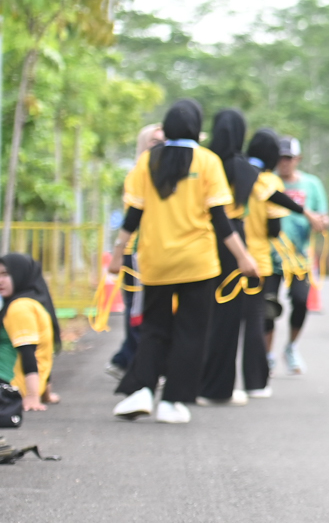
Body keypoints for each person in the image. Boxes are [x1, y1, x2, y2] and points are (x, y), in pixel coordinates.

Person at [110, 99, 259, 425]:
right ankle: (172, 401)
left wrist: (118, 254)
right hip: (197, 262)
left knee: (154, 328)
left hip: (156, 261)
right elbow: (221, 220)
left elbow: (133, 215)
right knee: (191, 332)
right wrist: (244, 257)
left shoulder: (147, 162)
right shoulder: (207, 162)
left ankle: (142, 390)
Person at [199, 113, 305, 406]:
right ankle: (255, 382)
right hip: (254, 260)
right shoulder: (264, 180)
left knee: (213, 320)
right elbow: (274, 228)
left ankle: (204, 381)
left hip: (212, 255)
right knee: (253, 323)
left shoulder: (213, 167)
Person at [265, 136, 329, 375]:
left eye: (289, 158)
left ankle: (291, 347)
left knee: (301, 302)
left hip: (299, 258)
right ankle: (267, 355)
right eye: (280, 158)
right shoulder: (268, 181)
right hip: (269, 257)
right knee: (267, 307)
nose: (284, 162)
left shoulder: (311, 184)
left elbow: (323, 215)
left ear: (298, 159)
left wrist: (322, 223)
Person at [107, 123, 163, 380]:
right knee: (137, 310)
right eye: (154, 141)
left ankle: (125, 359)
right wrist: (118, 253)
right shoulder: (138, 174)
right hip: (137, 252)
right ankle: (135, 364)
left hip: (155, 250)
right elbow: (133, 216)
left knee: (147, 309)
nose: (160, 146)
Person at [1, 252, 62, 412]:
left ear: (20, 274)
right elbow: (45, 352)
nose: (0, 280)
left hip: (8, 385)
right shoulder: (35, 303)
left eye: (6, 274)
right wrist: (45, 393)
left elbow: (29, 353)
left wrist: (32, 396)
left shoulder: (19, 307)